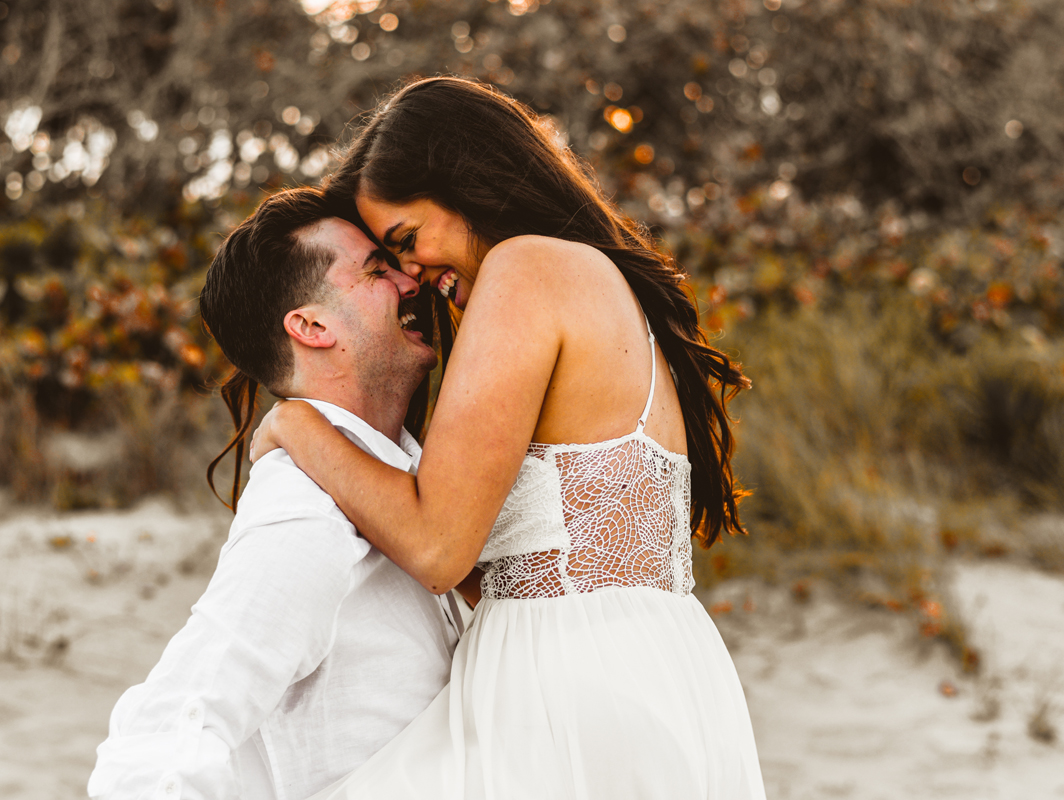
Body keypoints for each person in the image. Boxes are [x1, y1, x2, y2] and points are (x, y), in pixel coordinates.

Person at [249, 77, 767, 798]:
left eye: (406, 241)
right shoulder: (594, 280)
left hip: (562, 688)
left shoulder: (527, 269)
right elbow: (495, 562)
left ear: (468, 186)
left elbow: (437, 550)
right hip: (656, 671)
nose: (411, 274)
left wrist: (295, 425)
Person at [88, 187, 464, 800]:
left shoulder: (413, 478)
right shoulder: (305, 505)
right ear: (312, 326)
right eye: (376, 270)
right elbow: (174, 721)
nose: (409, 280)